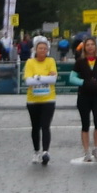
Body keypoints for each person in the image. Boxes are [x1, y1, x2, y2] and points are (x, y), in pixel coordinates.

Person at [23, 36, 58, 164]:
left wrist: (36, 77)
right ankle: (36, 151)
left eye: (44, 48)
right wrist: (43, 77)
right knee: (35, 127)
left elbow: (53, 80)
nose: (42, 50)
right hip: (33, 100)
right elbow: (28, 81)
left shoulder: (51, 61)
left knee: (45, 126)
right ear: (35, 50)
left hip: (48, 99)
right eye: (40, 48)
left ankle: (46, 152)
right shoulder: (30, 62)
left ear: (47, 50)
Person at [74, 37, 97, 162]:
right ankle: (86, 151)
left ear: (95, 47)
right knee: (85, 124)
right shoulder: (80, 62)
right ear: (84, 47)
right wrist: (83, 82)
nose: (90, 47)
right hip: (84, 95)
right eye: (87, 45)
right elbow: (72, 77)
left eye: (92, 45)